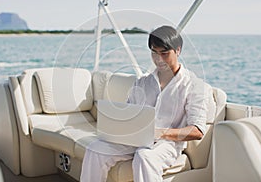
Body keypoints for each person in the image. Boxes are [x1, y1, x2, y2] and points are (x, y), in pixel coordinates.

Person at [80, 25, 212, 182]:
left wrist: (160, 132)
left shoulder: (195, 85)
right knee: (95, 149)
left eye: (164, 53)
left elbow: (197, 131)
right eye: (154, 53)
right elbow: (129, 113)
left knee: (144, 156)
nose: (159, 59)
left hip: (167, 143)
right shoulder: (142, 82)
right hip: (135, 139)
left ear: (178, 50)